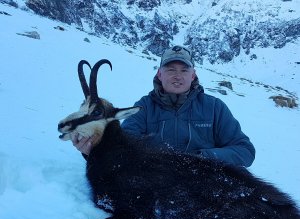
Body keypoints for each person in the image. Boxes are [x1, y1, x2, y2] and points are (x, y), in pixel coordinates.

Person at [72, 45, 255, 167]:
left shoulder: (215, 107)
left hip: (208, 183)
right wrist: (92, 151)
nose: (178, 75)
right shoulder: (143, 108)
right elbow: (121, 149)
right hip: (158, 184)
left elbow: (245, 151)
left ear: (193, 75)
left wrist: (204, 158)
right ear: (160, 74)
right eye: (171, 70)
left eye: (184, 70)